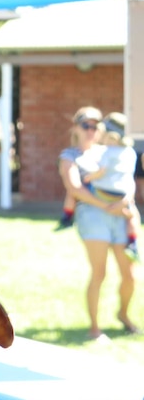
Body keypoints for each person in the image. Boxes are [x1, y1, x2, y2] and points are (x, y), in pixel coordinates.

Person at [58, 106, 141, 341]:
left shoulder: (110, 150)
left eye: (96, 126)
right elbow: (75, 188)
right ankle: (95, 328)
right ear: (76, 127)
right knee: (100, 272)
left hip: (121, 215)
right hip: (93, 216)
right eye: (87, 125)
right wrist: (106, 206)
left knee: (130, 273)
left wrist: (126, 200)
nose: (92, 130)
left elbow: (127, 177)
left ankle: (123, 314)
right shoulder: (69, 156)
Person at [83, 112, 140, 262]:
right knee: (132, 216)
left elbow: (101, 170)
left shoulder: (107, 151)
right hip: (122, 195)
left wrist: (89, 177)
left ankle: (68, 216)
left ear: (111, 136)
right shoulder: (130, 152)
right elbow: (129, 177)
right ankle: (133, 242)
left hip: (103, 193)